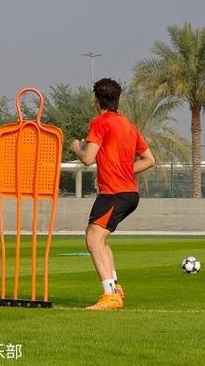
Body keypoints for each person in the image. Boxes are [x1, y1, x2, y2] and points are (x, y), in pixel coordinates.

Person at [70, 78, 155, 310]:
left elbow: (88, 158)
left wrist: (77, 147)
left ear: (95, 99)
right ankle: (115, 288)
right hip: (129, 193)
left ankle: (110, 296)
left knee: (93, 238)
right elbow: (149, 160)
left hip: (114, 193)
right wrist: (124, 170)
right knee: (99, 237)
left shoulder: (100, 122)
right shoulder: (128, 125)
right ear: (117, 99)